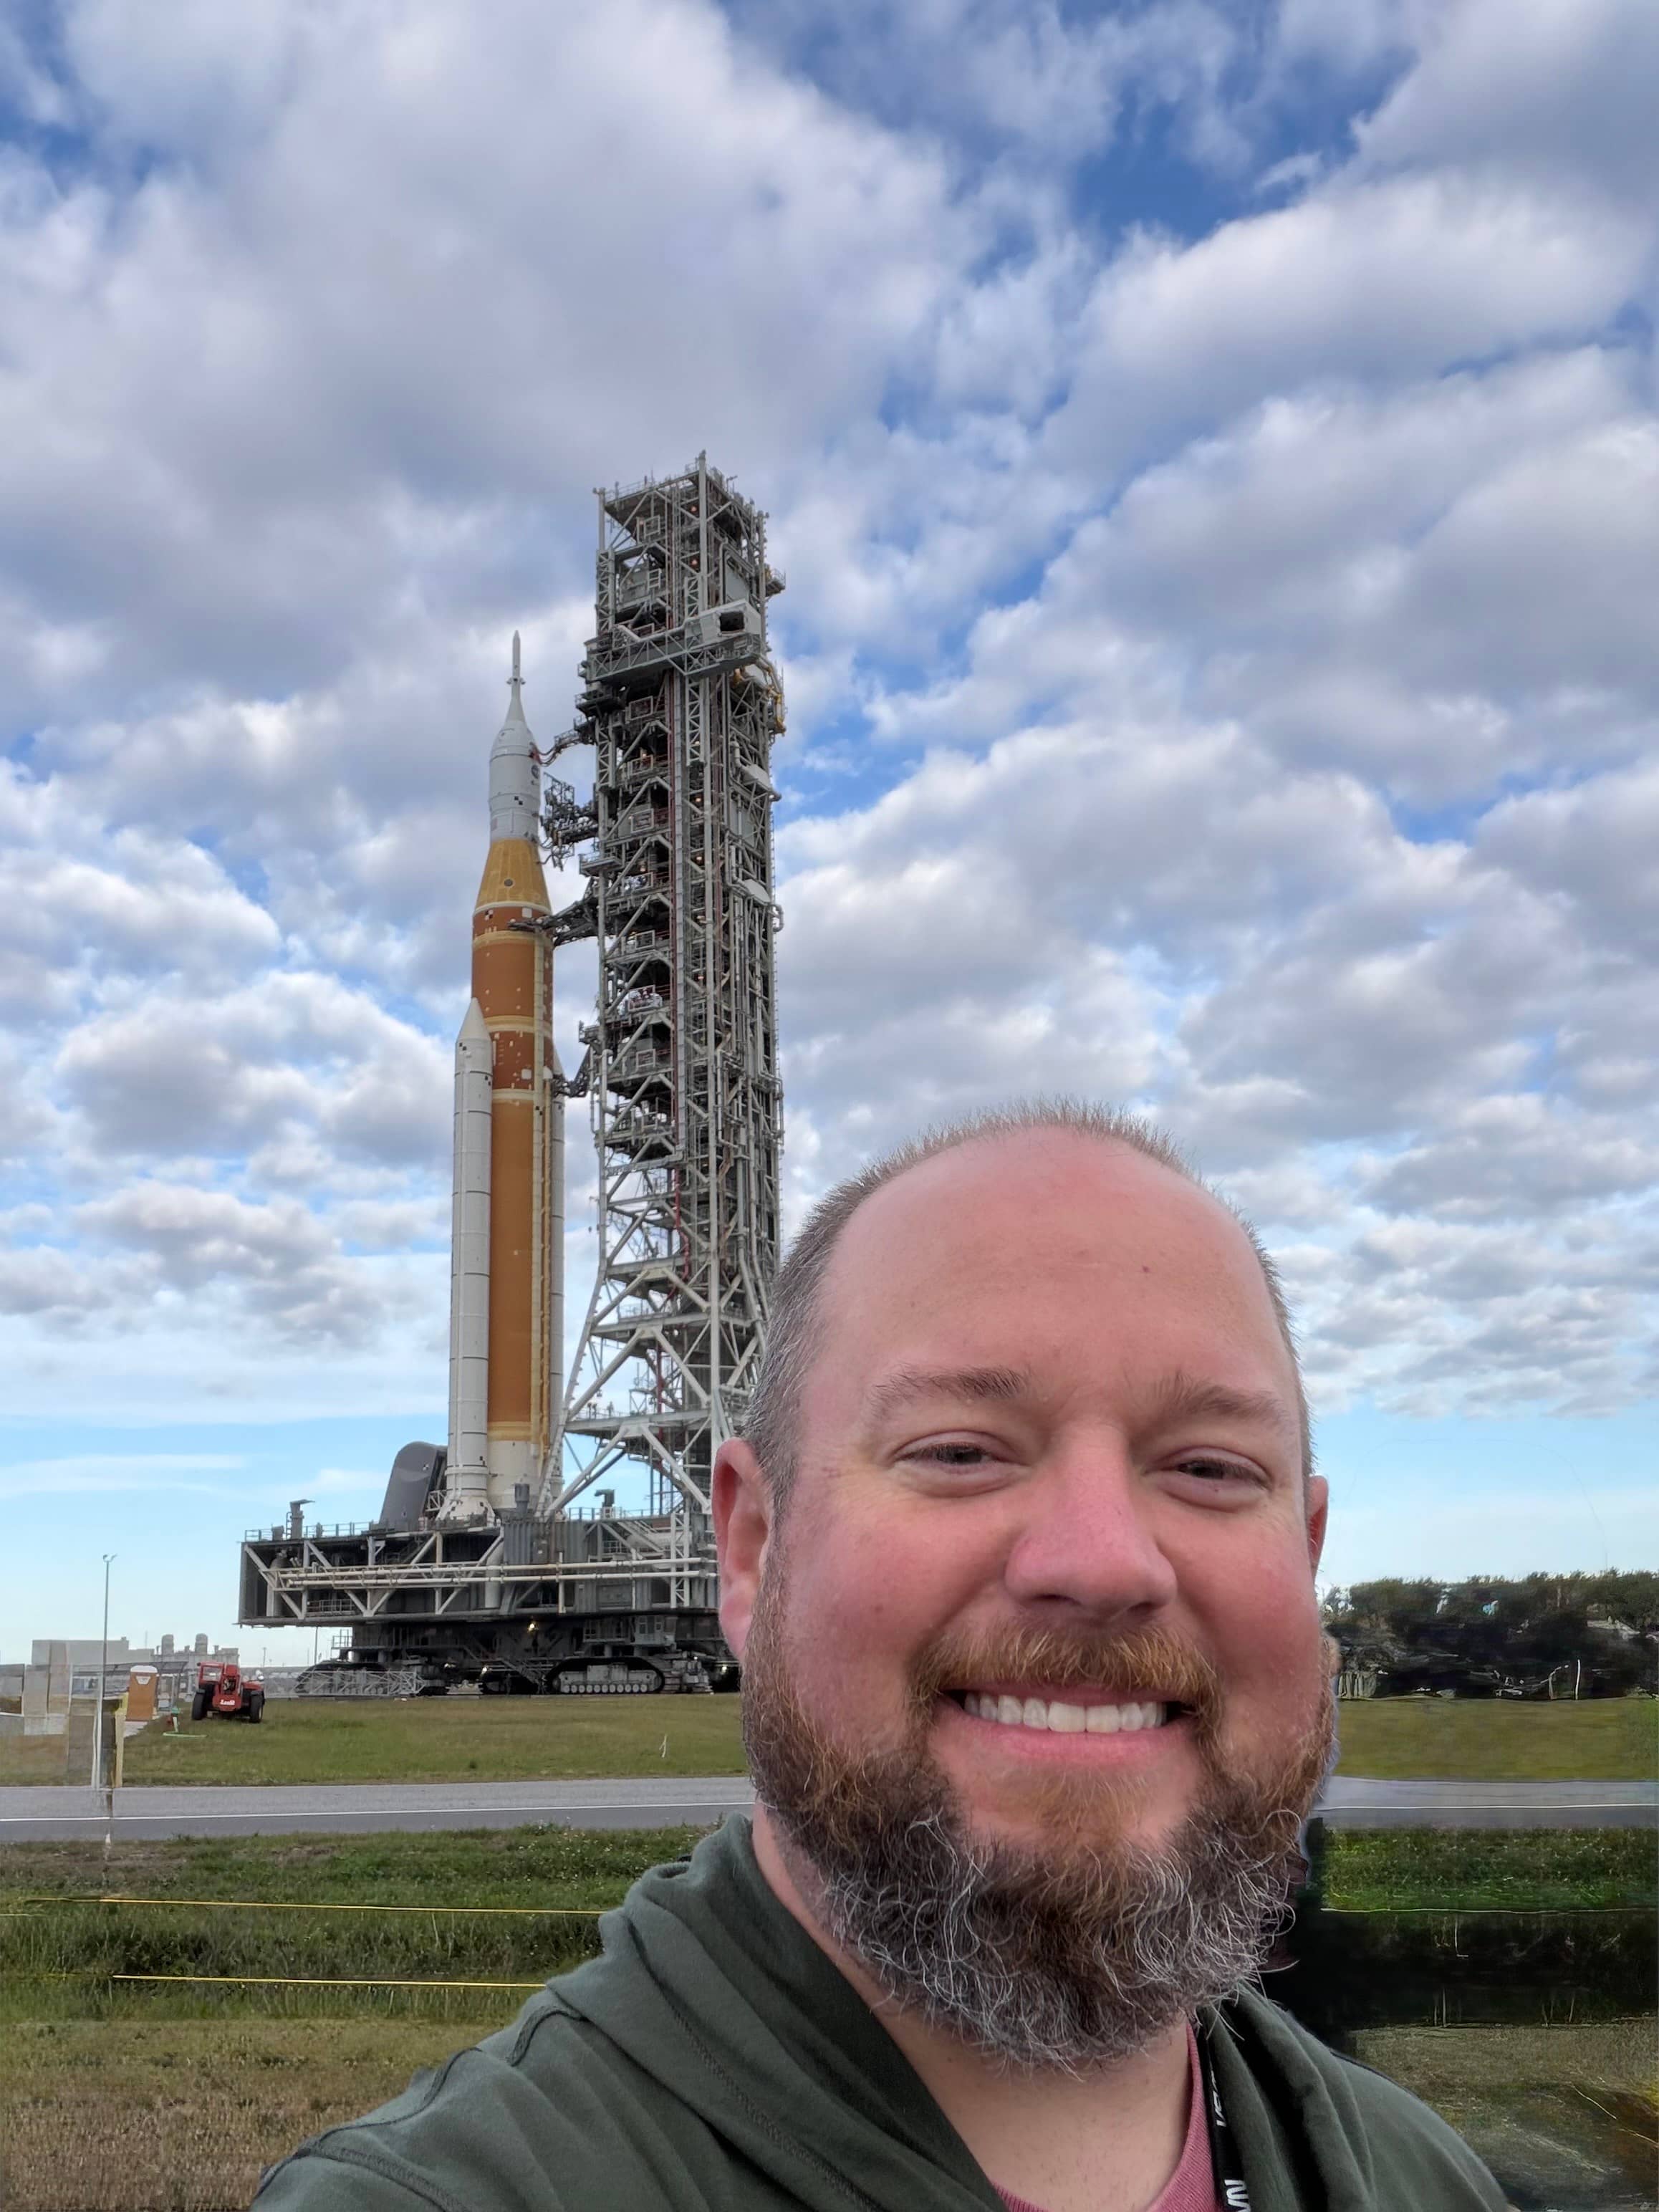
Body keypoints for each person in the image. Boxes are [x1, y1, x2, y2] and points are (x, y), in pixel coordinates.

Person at [255, 1104, 1507, 2212]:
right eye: (960, 1450)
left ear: (1310, 1547)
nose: (1105, 1560)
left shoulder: (1417, 2178)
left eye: (1209, 1468)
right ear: (749, 1548)